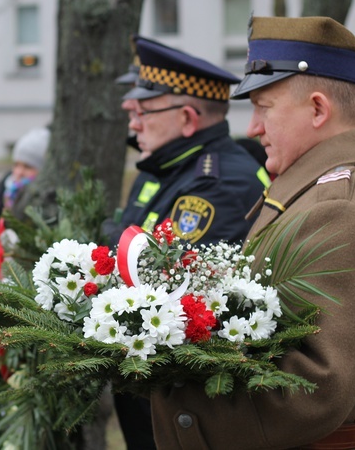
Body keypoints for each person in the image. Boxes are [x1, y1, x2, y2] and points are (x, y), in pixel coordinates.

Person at [149, 16, 355, 449]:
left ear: (319, 109)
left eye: (263, 108)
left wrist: (177, 399)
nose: (252, 128)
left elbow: (311, 387)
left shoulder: (341, 208)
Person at [103, 36, 270, 450]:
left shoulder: (218, 183)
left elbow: (168, 289)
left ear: (188, 119)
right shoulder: (164, 166)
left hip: (193, 413)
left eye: (142, 111)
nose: (133, 123)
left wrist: (107, 240)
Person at [0, 126, 50, 217]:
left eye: (28, 167)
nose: (19, 172)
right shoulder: (4, 190)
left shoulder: (48, 202)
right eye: (16, 165)